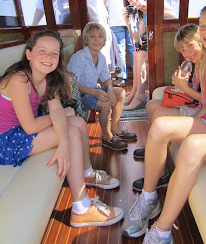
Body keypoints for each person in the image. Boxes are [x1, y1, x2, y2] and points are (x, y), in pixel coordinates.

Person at [122, 1, 206, 243]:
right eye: (203, 26)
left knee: (192, 145)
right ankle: (148, 199)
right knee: (160, 126)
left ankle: (162, 231)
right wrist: (192, 122)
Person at [0, 30, 123, 228]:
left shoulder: (50, 79)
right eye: (42, 51)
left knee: (77, 121)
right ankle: (81, 209)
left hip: (22, 130)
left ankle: (87, 172)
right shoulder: (19, 80)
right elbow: (31, 127)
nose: (48, 57)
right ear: (28, 54)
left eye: (54, 53)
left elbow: (57, 110)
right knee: (71, 126)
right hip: (6, 139)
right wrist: (63, 123)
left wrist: (63, 143)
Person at [132, 24, 203, 191]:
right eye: (183, 50)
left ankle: (158, 159)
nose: (187, 53)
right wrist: (183, 83)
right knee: (151, 105)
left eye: (190, 46)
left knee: (160, 116)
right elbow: (197, 89)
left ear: (202, 41)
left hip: (203, 111)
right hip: (195, 103)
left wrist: (184, 87)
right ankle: (161, 167)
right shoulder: (195, 63)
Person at [67, 22, 137, 151]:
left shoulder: (101, 57)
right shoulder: (79, 58)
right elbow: (72, 84)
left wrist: (110, 91)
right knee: (105, 103)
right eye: (92, 36)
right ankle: (107, 137)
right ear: (86, 39)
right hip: (79, 96)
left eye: (100, 36)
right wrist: (96, 93)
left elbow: (105, 78)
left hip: (92, 92)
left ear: (105, 40)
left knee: (119, 92)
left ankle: (115, 128)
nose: (96, 40)